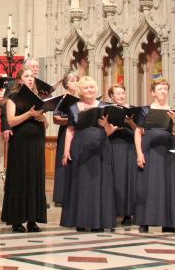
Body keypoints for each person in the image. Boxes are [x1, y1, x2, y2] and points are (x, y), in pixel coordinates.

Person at [60, 76, 115, 232]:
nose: (90, 90)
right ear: (81, 92)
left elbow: (110, 131)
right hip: (80, 148)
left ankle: (99, 221)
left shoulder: (104, 107)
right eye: (86, 88)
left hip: (101, 148)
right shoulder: (74, 108)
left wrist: (105, 125)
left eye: (92, 87)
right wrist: (66, 151)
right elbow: (70, 130)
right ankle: (81, 220)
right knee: (82, 184)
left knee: (100, 184)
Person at [1, 67, 48, 232]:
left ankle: (33, 220)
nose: (30, 78)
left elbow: (46, 124)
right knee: (19, 180)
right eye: (26, 76)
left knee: (35, 180)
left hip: (36, 144)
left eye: (32, 76)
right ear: (19, 80)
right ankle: (16, 220)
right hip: (20, 144)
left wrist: (42, 117)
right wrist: (28, 114)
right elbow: (11, 121)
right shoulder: (13, 98)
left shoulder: (38, 99)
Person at [134, 78, 175, 233]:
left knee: (168, 184)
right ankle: (144, 221)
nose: (163, 91)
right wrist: (139, 153)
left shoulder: (173, 111)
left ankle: (169, 222)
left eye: (165, 89)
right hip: (149, 149)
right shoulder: (145, 110)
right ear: (153, 92)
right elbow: (138, 131)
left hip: (167, 150)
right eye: (160, 89)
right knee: (148, 185)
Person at [105, 84, 137, 226]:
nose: (121, 96)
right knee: (115, 178)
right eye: (117, 94)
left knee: (128, 178)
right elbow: (105, 130)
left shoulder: (132, 109)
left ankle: (128, 213)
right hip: (113, 144)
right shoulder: (107, 109)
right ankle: (113, 211)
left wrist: (130, 121)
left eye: (122, 93)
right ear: (111, 96)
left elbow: (139, 130)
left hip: (129, 145)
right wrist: (117, 126)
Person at [51, 71, 81, 206]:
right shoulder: (64, 99)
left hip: (79, 133)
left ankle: (75, 194)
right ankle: (61, 197)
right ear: (66, 84)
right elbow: (56, 118)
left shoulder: (82, 99)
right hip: (66, 132)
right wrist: (71, 119)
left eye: (77, 80)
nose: (76, 83)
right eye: (73, 80)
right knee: (63, 163)